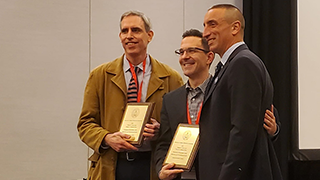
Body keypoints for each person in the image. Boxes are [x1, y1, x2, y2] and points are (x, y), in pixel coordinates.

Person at [154, 29, 281, 180]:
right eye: (181, 52)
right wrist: (162, 169)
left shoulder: (227, 89)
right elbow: (163, 144)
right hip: (184, 176)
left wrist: (274, 130)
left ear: (209, 57)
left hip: (220, 174)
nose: (185, 57)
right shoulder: (170, 100)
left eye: (191, 51)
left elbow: (251, 127)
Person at [77, 10, 183, 180]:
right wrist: (107, 138)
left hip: (152, 166)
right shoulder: (99, 76)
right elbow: (85, 124)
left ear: (149, 35)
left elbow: (181, 129)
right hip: (111, 165)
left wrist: (160, 131)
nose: (129, 36)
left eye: (136, 30)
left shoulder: (171, 78)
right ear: (120, 36)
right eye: (124, 31)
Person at [199, 4, 283, 180]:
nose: (205, 33)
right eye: (204, 25)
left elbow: (242, 131)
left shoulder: (242, 63)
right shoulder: (230, 64)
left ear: (235, 27)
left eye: (212, 24)